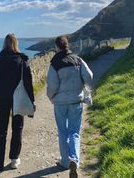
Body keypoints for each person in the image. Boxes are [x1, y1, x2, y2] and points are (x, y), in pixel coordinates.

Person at [0, 33, 35, 178]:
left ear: (4, 44)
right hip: (18, 98)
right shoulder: (21, 61)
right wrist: (32, 102)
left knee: (0, 130)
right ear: (15, 44)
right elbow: (28, 84)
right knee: (17, 127)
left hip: (0, 98)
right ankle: (14, 159)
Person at [47, 35, 93, 178]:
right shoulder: (77, 59)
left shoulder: (54, 63)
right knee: (74, 132)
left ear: (57, 47)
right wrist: (80, 85)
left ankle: (65, 162)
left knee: (62, 131)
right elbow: (89, 76)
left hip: (60, 103)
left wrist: (51, 97)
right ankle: (75, 160)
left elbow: (52, 85)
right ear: (67, 45)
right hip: (76, 101)